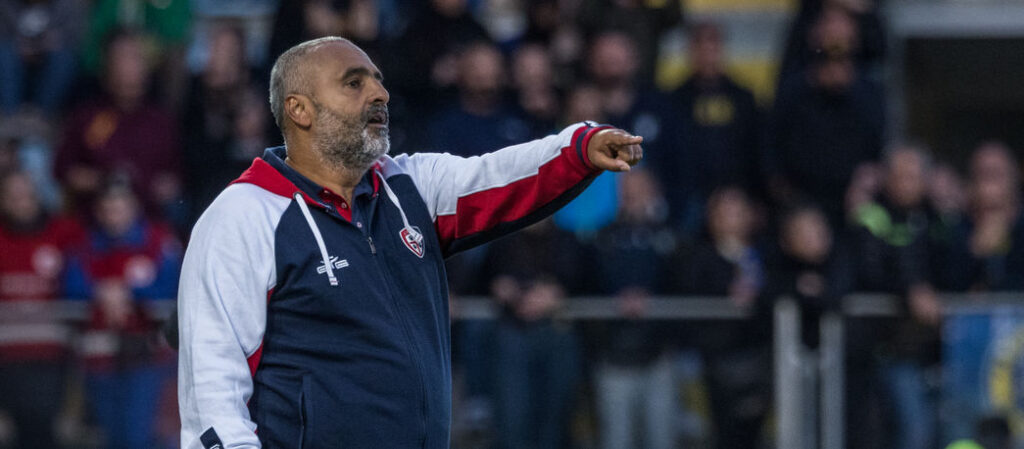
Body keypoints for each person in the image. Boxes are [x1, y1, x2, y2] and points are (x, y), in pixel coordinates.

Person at [176, 36, 643, 449]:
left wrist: (580, 148)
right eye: (354, 83)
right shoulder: (243, 216)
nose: (380, 94)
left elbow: (498, 173)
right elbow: (212, 391)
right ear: (299, 109)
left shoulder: (408, 186)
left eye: (378, 81)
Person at [64, 182, 181, 449]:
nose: (114, 216)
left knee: (141, 435)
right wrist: (100, 291)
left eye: (120, 208)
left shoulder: (158, 242)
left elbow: (171, 287)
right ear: (98, 212)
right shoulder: (84, 246)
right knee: (112, 436)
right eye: (107, 209)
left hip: (148, 357)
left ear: (134, 208)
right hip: (99, 357)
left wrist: (129, 292)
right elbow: (71, 288)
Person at [0, 171, 84, 449]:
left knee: (43, 429)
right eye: (14, 196)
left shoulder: (64, 232)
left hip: (49, 355)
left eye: (27, 194)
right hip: (6, 356)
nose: (22, 201)